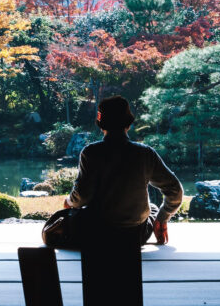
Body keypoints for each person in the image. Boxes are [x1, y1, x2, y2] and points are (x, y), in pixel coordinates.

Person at [64, 95, 184, 246]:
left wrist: (69, 201)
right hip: (135, 235)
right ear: (128, 122)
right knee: (152, 209)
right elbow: (175, 190)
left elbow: (81, 197)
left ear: (101, 123)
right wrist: (162, 217)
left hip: (95, 233)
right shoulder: (145, 153)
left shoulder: (91, 152)